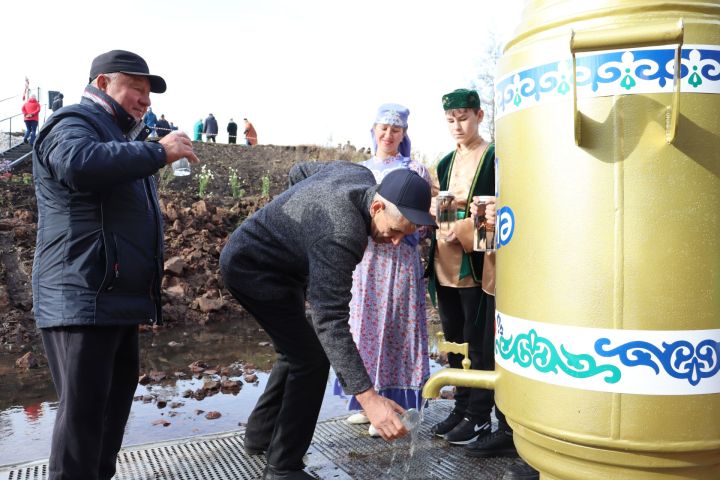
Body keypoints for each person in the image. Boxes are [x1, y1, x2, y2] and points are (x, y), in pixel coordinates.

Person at [31, 49, 198, 480]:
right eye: (135, 89)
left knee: (110, 413)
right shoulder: (72, 122)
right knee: (83, 418)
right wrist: (157, 154)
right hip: (81, 294)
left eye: (148, 94)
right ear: (102, 84)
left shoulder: (123, 140)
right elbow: (77, 165)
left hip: (115, 298)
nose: (144, 101)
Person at [220, 163, 436, 480]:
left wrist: (294, 228)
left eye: (403, 237)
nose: (393, 242)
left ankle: (260, 436)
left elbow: (299, 173)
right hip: (252, 268)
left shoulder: (358, 174)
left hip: (275, 264)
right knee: (312, 358)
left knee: (295, 350)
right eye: (393, 231)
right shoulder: (342, 233)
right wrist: (369, 399)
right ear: (377, 206)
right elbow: (330, 321)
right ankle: (283, 468)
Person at [333, 104, 430, 435]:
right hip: (365, 260)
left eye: (396, 130)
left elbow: (423, 220)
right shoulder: (360, 170)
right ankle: (368, 401)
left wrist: (407, 232)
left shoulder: (415, 169)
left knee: (397, 327)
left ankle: (399, 405)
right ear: (374, 130)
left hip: (400, 257)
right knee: (363, 326)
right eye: (384, 128)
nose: (389, 135)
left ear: (404, 134)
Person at [427, 88, 496, 446]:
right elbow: (437, 205)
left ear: (479, 116)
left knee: (479, 342)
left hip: (477, 266)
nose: (457, 126)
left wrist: (464, 230)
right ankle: (461, 405)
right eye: (451, 120)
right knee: (454, 340)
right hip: (443, 264)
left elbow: (500, 211)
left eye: (464, 118)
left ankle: (479, 415)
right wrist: (439, 218)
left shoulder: (494, 157)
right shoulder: (442, 162)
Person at [458, 199, 540, 480]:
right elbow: (484, 243)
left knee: (538, 354)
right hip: (498, 277)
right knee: (505, 355)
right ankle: (507, 431)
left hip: (538, 276)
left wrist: (511, 205)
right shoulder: (501, 159)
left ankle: (539, 446)